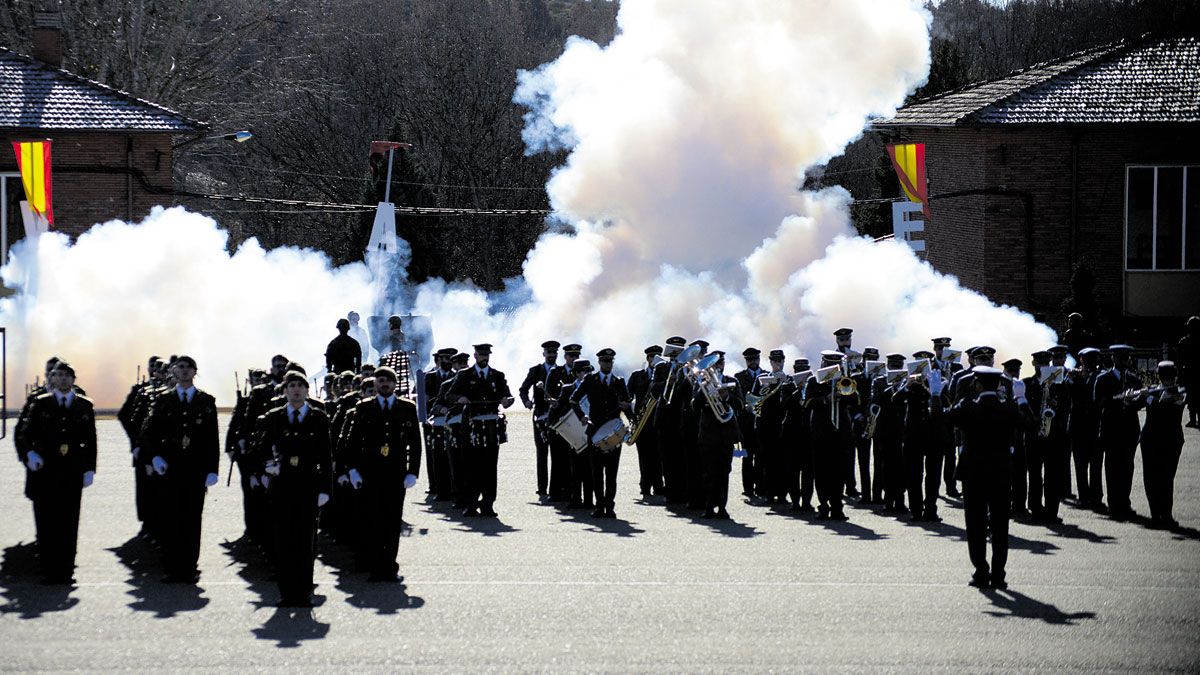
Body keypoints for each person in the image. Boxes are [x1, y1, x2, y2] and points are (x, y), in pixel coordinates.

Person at [946, 366, 1034, 589]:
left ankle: (981, 571)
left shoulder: (967, 407)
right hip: (1000, 473)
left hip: (973, 474)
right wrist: (1022, 399)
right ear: (998, 385)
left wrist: (936, 396)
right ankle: (999, 574)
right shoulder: (1008, 408)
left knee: (975, 526)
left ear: (976, 384)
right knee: (1000, 526)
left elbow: (941, 420)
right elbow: (1031, 425)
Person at [139, 355, 220, 583]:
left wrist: (212, 469)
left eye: (189, 368)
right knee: (170, 519)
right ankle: (172, 567)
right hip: (170, 469)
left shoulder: (206, 401)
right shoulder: (164, 400)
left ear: (195, 372)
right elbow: (147, 433)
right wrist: (154, 457)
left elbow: (211, 438)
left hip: (195, 470)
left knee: (192, 519)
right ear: (174, 372)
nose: (184, 371)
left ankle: (189, 567)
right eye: (180, 367)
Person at [15, 361, 97, 584]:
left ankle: (66, 569)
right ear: (51, 379)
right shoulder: (41, 404)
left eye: (66, 375)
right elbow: (24, 435)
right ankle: (49, 569)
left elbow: (90, 440)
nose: (62, 379)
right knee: (47, 521)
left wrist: (90, 468)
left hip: (72, 471)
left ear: (73, 380)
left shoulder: (84, 406)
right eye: (58, 375)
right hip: (46, 472)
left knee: (69, 521)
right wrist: (29, 454)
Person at [257, 371, 332, 606]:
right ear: (285, 390)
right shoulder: (274, 417)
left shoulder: (318, 417)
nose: (296, 390)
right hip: (282, 486)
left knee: (305, 542)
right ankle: (287, 593)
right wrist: (268, 467)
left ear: (307, 390)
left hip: (308, 485)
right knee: (283, 541)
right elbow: (260, 449)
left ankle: (303, 592)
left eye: (301, 385)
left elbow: (326, 456)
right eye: (292, 386)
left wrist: (325, 489)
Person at [344, 366, 421, 581]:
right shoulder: (363, 408)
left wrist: (412, 471)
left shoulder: (406, 407)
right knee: (373, 520)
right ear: (375, 384)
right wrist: (352, 469)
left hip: (396, 473)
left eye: (388, 380)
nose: (384, 384)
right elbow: (353, 442)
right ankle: (376, 566)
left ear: (395, 384)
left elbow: (415, 443)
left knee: (392, 520)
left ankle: (389, 565)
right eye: (380, 381)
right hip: (370, 472)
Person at [449, 343, 515, 517]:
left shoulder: (497, 376)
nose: (484, 358)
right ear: (475, 355)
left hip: (491, 428)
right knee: (471, 467)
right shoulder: (465, 375)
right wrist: (460, 398)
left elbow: (507, 394)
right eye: (481, 355)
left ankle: (488, 504)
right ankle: (470, 504)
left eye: (487, 355)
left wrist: (506, 400)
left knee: (489, 468)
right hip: (471, 427)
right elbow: (450, 394)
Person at [571, 348, 631, 518]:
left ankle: (610, 506)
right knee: (596, 472)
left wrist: (631, 418)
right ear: (599, 362)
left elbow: (626, 403)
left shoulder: (619, 381)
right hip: (595, 430)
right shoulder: (590, 379)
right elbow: (573, 399)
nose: (607, 363)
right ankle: (599, 506)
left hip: (615, 433)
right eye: (604, 360)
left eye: (610, 361)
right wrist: (582, 416)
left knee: (612, 474)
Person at [1134, 362, 1188, 528]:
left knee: (1166, 477)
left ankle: (1166, 514)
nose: (1167, 381)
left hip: (1171, 441)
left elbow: (1165, 408)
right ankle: (1155, 514)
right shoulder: (1152, 389)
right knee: (1150, 477)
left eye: (1170, 377)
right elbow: (1134, 406)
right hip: (1150, 440)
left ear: (1175, 376)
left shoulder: (1179, 392)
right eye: (1164, 377)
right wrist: (1136, 395)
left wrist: (1148, 397)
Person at [1093, 345, 1143, 520]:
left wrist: (1133, 401)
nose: (1123, 360)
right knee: (1112, 467)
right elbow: (1098, 402)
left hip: (1129, 428)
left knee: (1127, 466)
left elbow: (1141, 402)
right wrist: (1118, 398)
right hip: (1111, 428)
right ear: (1113, 359)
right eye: (1119, 357)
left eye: (1125, 357)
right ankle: (1114, 503)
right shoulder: (1103, 379)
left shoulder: (1134, 379)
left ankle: (1124, 501)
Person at [692, 351, 742, 519]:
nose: (718, 367)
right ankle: (708, 506)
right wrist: (703, 389)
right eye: (715, 364)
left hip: (726, 436)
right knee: (708, 472)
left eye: (720, 363)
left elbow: (740, 405)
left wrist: (726, 396)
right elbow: (695, 406)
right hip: (708, 435)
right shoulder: (701, 382)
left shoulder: (732, 382)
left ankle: (722, 507)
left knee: (724, 472)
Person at [519, 340, 561, 500]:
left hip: (557, 416)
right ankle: (542, 488)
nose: (551, 355)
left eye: (554, 353)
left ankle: (557, 488)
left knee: (558, 453)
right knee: (542, 452)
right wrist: (527, 402)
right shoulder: (535, 371)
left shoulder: (562, 371)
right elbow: (523, 390)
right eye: (549, 353)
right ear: (543, 354)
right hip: (540, 415)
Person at [628, 345, 664, 498]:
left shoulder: (665, 376)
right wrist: (632, 418)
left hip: (659, 421)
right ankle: (645, 485)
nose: (654, 359)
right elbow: (626, 397)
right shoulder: (637, 376)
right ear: (647, 359)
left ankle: (658, 485)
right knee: (644, 456)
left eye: (657, 357)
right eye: (651, 357)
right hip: (642, 422)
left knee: (659, 455)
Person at [1177, 316, 1199, 428]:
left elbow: (1180, 361)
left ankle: (1192, 419)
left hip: (1189, 373)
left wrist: (1179, 376)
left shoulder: (1184, 342)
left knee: (1191, 397)